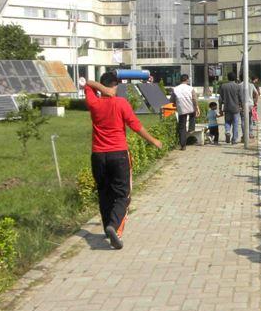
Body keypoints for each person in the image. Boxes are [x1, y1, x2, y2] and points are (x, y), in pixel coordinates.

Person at [85, 73, 162, 249]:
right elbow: (135, 125)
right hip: (118, 154)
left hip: (98, 155)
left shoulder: (93, 103)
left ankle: (107, 227)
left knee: (104, 193)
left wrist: (100, 88)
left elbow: (87, 85)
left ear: (101, 85)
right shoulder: (121, 103)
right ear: (116, 86)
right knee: (122, 195)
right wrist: (154, 141)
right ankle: (115, 228)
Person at [170, 74, 199, 151]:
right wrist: (197, 108)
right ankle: (191, 129)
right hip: (190, 108)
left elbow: (172, 100)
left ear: (180, 80)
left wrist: (176, 104)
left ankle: (183, 145)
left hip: (181, 109)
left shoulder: (175, 89)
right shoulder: (191, 88)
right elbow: (194, 99)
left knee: (182, 128)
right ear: (187, 80)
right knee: (192, 115)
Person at [219, 72, 244, 145]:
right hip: (236, 108)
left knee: (227, 122)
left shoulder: (223, 86)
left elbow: (220, 99)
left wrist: (220, 108)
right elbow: (241, 98)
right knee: (235, 124)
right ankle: (234, 140)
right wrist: (242, 107)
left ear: (228, 77)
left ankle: (227, 131)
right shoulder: (237, 86)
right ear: (235, 78)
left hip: (227, 108)